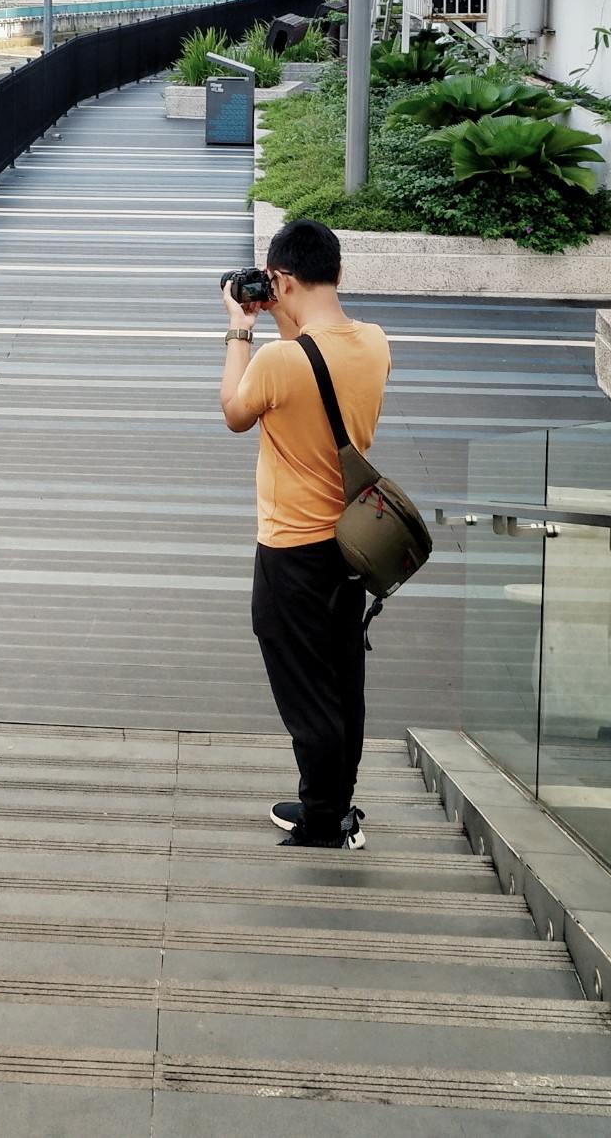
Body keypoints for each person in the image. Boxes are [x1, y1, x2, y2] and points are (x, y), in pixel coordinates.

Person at [219, 217, 390, 850]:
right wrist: (284, 312)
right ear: (338, 272)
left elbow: (235, 411)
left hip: (291, 547)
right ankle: (336, 803)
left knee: (305, 688)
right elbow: (317, 361)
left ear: (281, 280)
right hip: (351, 543)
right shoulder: (374, 342)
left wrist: (240, 327)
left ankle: (322, 821)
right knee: (342, 679)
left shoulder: (275, 361)